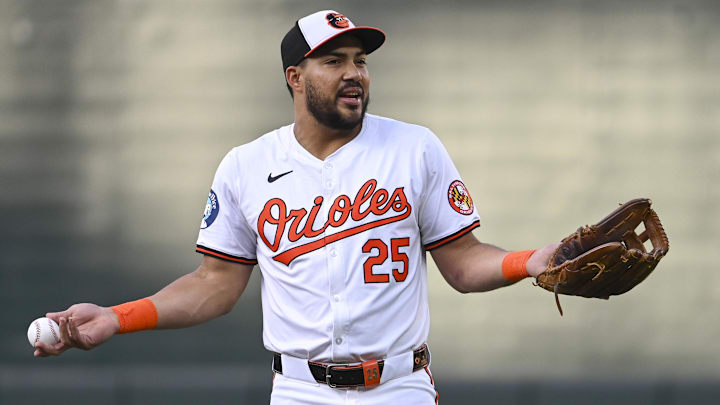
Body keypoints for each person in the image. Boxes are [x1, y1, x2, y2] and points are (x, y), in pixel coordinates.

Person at [34, 10, 558, 404]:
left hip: (399, 386)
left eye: (361, 61)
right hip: (301, 391)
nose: (354, 73)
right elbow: (213, 285)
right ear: (295, 77)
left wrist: (528, 262)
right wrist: (116, 317)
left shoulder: (414, 148)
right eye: (333, 61)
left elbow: (464, 264)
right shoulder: (246, 165)